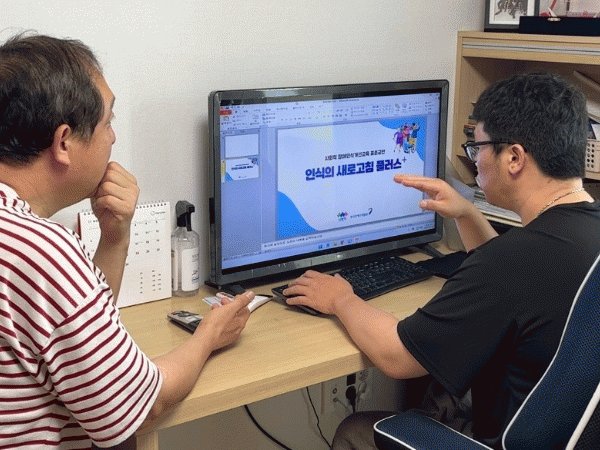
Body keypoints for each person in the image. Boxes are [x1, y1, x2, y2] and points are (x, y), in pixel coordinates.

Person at [283, 71, 600, 449]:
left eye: (479, 148)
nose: (476, 160)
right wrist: (467, 213)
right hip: (565, 431)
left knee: (355, 430)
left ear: (514, 157)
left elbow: (398, 358)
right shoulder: (576, 235)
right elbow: (517, 280)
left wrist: (341, 299)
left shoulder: (512, 261)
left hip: (503, 436)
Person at [0, 32, 253, 449]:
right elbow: (142, 404)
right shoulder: (41, 251)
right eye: (108, 122)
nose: (113, 138)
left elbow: (80, 346)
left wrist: (114, 237)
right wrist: (210, 335)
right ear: (63, 142)